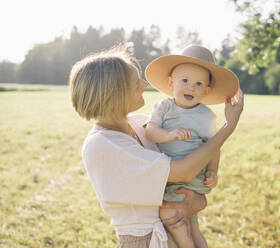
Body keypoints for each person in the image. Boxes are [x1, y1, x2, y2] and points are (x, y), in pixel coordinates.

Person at [69, 44, 244, 248]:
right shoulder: (102, 144)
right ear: (114, 94)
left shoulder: (139, 124)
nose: (144, 84)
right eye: (136, 84)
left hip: (172, 228)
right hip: (145, 241)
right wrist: (229, 125)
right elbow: (184, 172)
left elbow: (188, 174)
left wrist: (198, 201)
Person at [144, 45, 239, 248]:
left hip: (194, 177)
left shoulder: (205, 115)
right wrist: (169, 135)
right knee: (193, 226)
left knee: (170, 214)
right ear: (171, 83)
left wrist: (213, 171)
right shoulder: (164, 107)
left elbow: (213, 146)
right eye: (184, 81)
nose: (191, 87)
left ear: (206, 91)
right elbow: (150, 131)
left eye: (198, 84)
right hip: (172, 175)